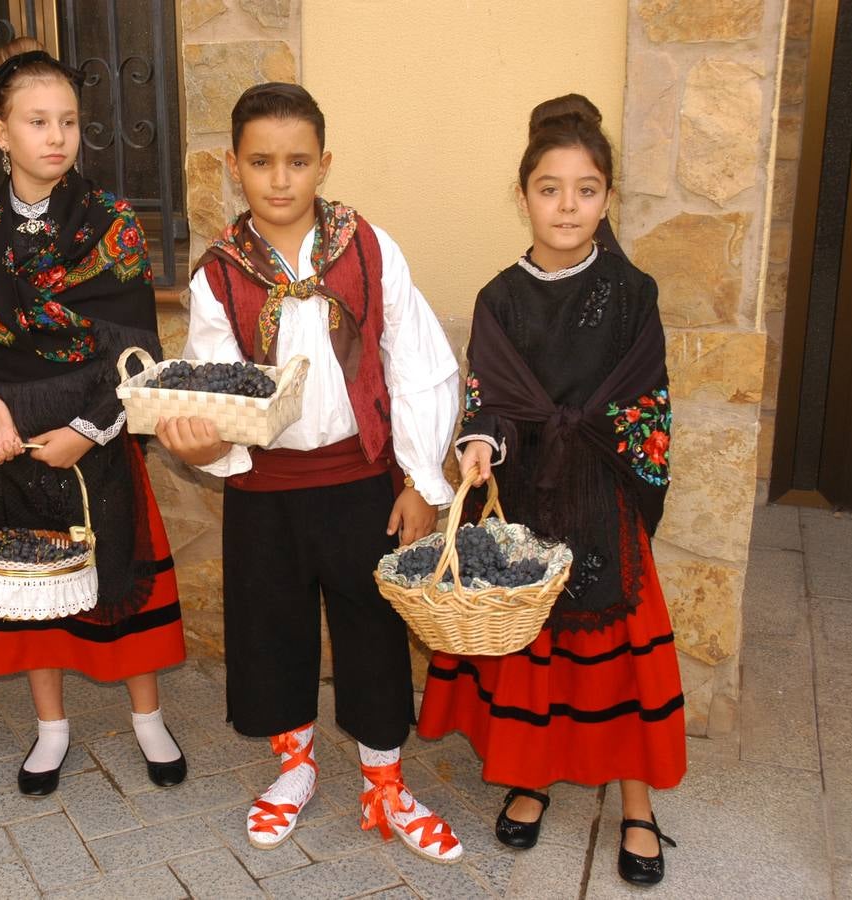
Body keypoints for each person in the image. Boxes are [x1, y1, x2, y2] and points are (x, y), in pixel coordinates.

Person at [157, 82, 464, 862]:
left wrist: (419, 481)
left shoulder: (368, 247)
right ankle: (292, 770)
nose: (280, 179)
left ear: (323, 163)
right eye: (261, 162)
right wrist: (200, 445)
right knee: (271, 630)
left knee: (372, 630)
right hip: (265, 489)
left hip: (362, 481)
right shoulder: (217, 275)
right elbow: (213, 385)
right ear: (233, 166)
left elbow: (419, 365)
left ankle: (385, 783)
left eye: (297, 161)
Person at [416, 94, 686, 886]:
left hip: (603, 495)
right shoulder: (499, 296)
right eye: (548, 187)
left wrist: (610, 462)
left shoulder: (633, 292)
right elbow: (489, 397)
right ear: (522, 192)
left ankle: (636, 802)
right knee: (536, 644)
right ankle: (532, 777)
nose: (567, 205)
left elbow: (644, 401)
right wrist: (476, 445)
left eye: (586, 188)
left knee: (618, 654)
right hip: (529, 495)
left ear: (606, 197)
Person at [0, 38, 187, 797]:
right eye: (37, 122)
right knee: (31, 584)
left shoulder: (110, 221)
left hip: (93, 430)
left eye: (68, 122)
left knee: (117, 575)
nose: (55, 137)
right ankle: (51, 729)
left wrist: (88, 430)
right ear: (0, 133)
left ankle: (147, 718)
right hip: (6, 439)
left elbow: (138, 346)